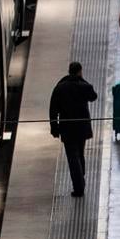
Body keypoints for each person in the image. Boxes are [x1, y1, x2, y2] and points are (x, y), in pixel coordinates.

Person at [48, 61, 98, 196]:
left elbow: (53, 109)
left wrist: (54, 127)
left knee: (72, 157)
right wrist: (81, 79)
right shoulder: (83, 86)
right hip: (82, 128)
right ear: (80, 71)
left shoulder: (60, 88)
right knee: (80, 154)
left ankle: (79, 186)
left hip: (67, 129)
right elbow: (93, 96)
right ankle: (81, 180)